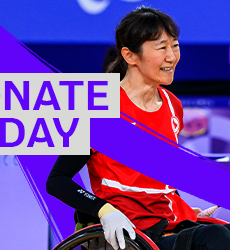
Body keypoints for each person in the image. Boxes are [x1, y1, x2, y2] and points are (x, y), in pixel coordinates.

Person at [46, 7, 230, 250]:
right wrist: (103, 210)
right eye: (161, 47)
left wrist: (183, 211)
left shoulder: (173, 106)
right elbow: (57, 180)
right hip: (128, 233)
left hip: (166, 224)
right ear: (130, 56)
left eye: (174, 46)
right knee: (215, 238)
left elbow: (154, 180)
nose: (172, 56)